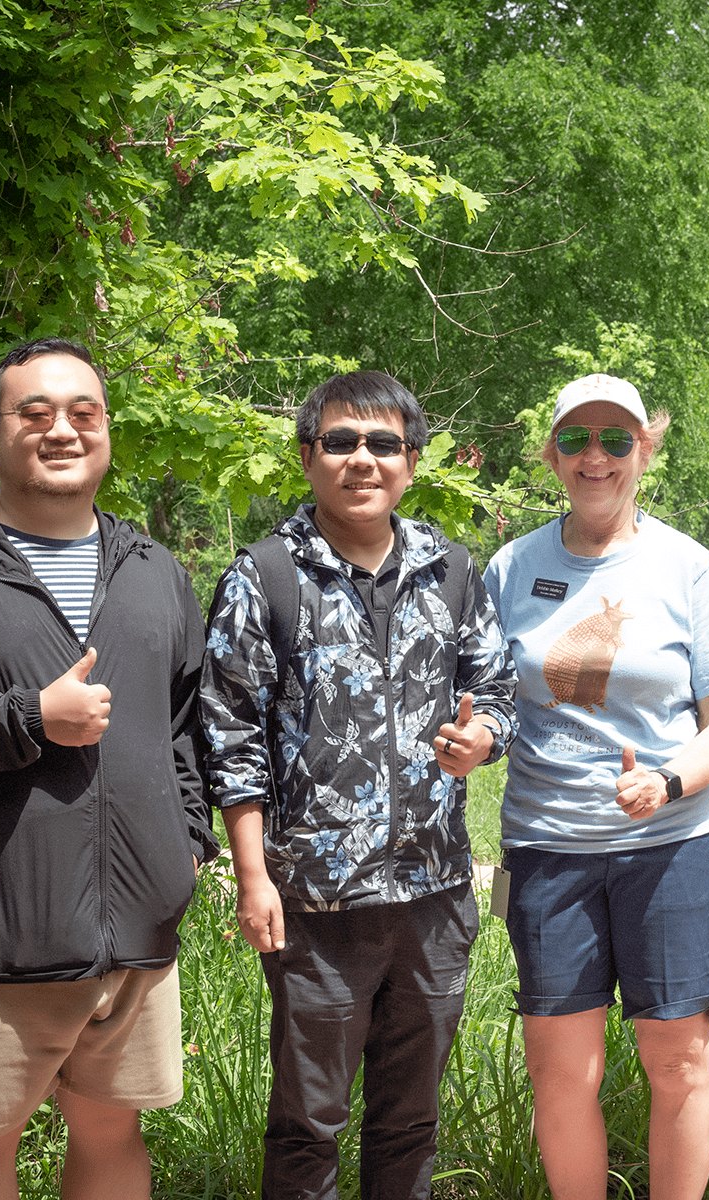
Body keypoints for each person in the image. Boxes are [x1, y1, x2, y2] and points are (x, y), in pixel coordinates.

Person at [199, 369, 516, 1200]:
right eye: (341, 441)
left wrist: (480, 740)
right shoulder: (264, 577)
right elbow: (228, 735)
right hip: (314, 907)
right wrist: (252, 876)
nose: (362, 460)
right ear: (308, 456)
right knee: (308, 1124)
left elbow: (502, 693)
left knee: (412, 1120)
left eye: (383, 444)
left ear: (412, 461)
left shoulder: (449, 568)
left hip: (434, 895)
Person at [0, 338, 218, 1200]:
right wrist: (27, 717)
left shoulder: (156, 572)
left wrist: (188, 843)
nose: (61, 430)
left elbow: (187, 728)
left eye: (83, 413)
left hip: (136, 934)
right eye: (34, 413)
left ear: (106, 431)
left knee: (111, 1130)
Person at [483, 372, 709, 1200]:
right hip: (547, 851)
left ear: (647, 449)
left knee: (678, 1056)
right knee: (560, 1069)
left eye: (617, 439)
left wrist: (672, 781)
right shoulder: (512, 565)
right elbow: (494, 704)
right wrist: (474, 741)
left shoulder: (686, 567)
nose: (596, 456)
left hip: (669, 849)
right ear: (551, 455)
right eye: (576, 439)